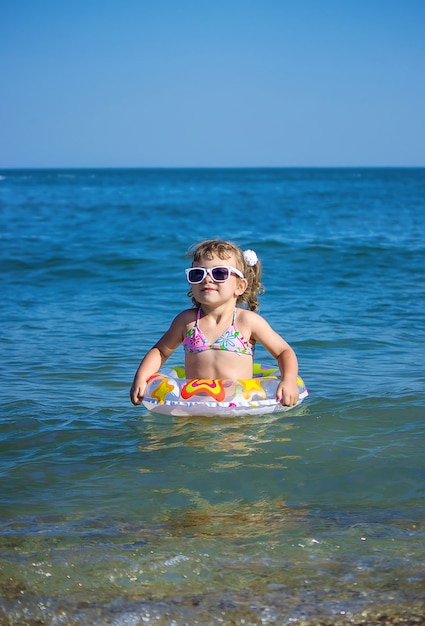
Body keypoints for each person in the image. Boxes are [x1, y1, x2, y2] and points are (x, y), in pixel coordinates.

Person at [130, 239, 300, 407]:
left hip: (238, 408)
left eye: (219, 273)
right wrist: (141, 377)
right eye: (198, 274)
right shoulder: (187, 321)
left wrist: (289, 380)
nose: (207, 280)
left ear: (240, 286)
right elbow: (161, 351)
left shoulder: (247, 321)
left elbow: (283, 352)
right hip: (195, 406)